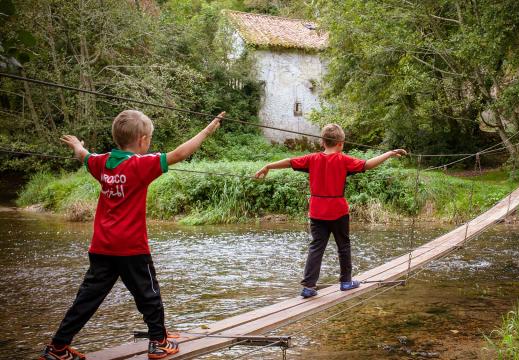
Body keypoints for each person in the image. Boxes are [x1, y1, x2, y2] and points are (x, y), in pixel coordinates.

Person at [39, 110, 225, 360]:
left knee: (87, 298)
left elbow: (84, 156)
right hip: (131, 248)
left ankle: (57, 348)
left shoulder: (102, 162)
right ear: (143, 140)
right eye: (149, 139)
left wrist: (76, 145)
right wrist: (208, 129)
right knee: (149, 294)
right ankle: (159, 342)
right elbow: (180, 154)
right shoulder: (141, 164)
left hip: (102, 247)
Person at [255, 124, 406, 298]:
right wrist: (389, 153)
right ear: (341, 143)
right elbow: (367, 165)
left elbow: (289, 161)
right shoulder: (344, 160)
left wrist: (268, 166)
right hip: (338, 211)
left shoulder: (312, 159)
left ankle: (308, 286)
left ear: (322, 142)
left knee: (316, 247)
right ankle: (346, 282)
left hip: (317, 211)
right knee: (343, 246)